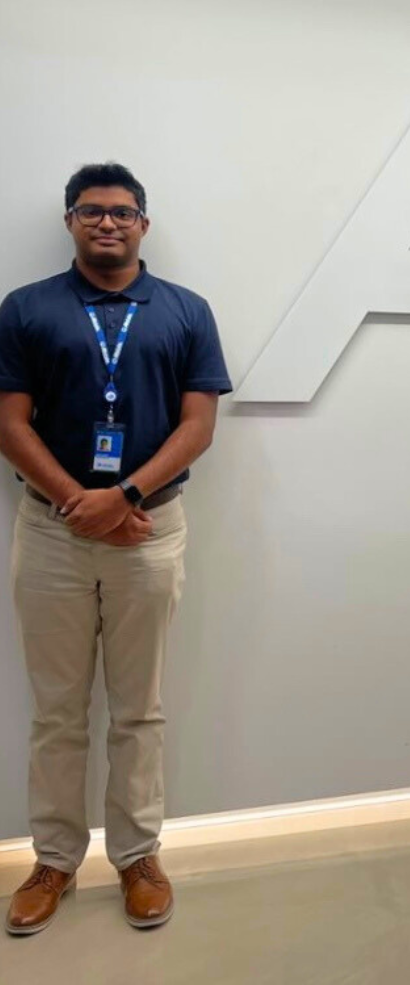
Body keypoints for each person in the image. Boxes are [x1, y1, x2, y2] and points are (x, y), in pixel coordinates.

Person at [1, 163, 231, 935]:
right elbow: (9, 423)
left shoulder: (184, 311)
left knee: (140, 709)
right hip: (51, 530)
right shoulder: (26, 309)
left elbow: (198, 426)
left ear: (144, 225)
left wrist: (124, 498)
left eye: (123, 212)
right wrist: (80, 503)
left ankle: (137, 855)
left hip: (149, 529)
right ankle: (54, 861)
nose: (108, 223)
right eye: (92, 211)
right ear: (71, 221)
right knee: (58, 712)